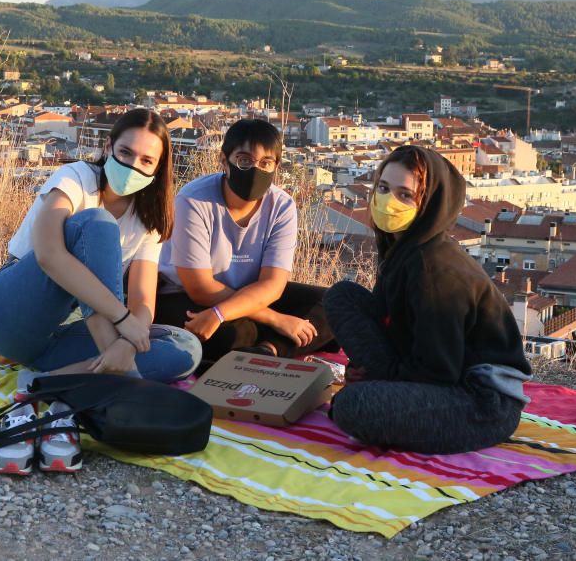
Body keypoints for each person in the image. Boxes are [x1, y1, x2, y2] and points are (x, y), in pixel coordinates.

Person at [0, 109, 202, 474]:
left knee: (185, 348)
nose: (133, 166)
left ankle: (46, 384)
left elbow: (144, 302)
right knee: (97, 223)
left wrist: (128, 342)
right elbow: (48, 256)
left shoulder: (149, 218)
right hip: (10, 312)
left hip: (54, 343)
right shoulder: (76, 178)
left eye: (146, 161)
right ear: (108, 146)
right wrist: (122, 322)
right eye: (125, 153)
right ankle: (104, 373)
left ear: (158, 169)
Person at [324, 145, 532, 454]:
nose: (388, 201)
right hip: (436, 371)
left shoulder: (433, 267)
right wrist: (363, 365)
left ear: (429, 205)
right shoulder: (403, 248)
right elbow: (391, 321)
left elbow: (438, 371)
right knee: (341, 296)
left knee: (352, 406)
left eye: (404, 195)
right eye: (383, 188)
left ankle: (376, 392)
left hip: (480, 401)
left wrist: (377, 385)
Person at [155, 118, 333, 366]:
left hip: (250, 294)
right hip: (185, 296)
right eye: (244, 160)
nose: (255, 170)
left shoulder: (281, 206)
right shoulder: (193, 201)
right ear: (224, 160)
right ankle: (269, 344)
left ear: (276, 167)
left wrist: (231, 313)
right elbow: (200, 287)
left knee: (336, 304)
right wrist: (276, 319)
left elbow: (273, 284)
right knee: (236, 333)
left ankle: (268, 351)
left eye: (265, 163)